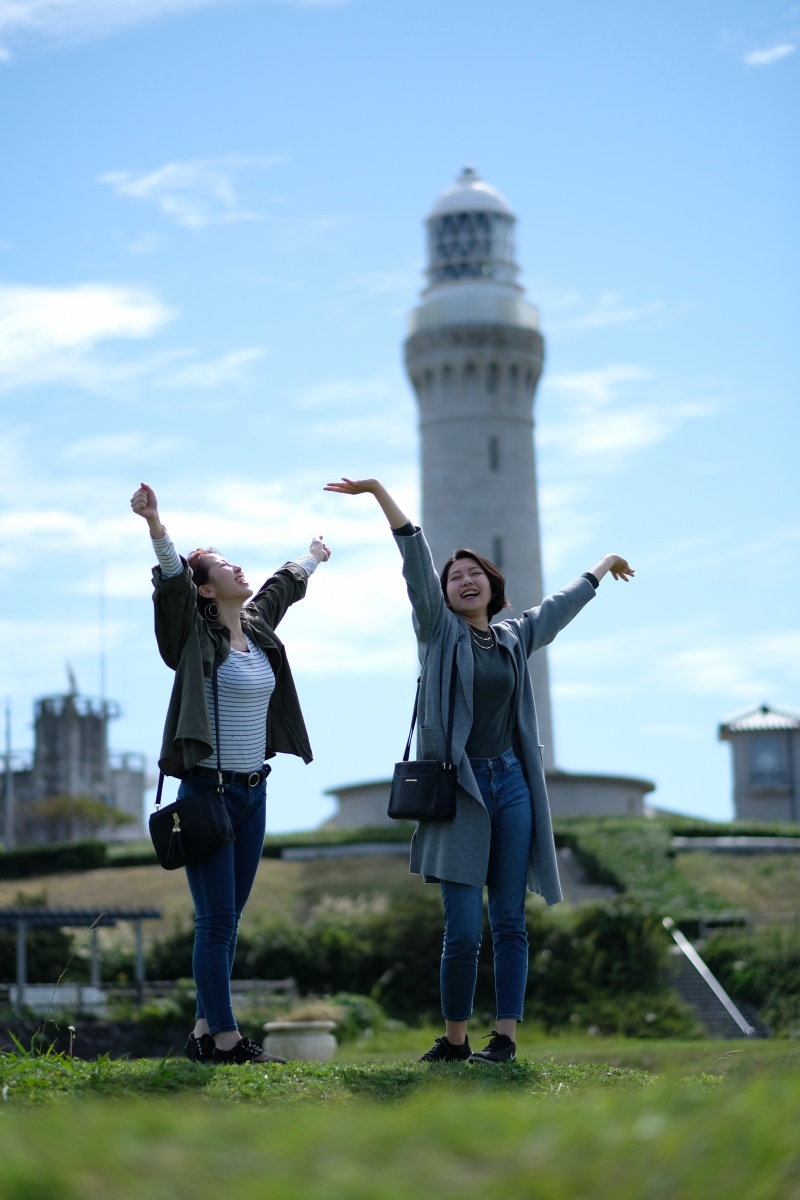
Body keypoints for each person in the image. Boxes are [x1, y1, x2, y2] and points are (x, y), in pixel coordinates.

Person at [324, 476, 633, 1065]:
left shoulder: (515, 637)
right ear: (443, 595)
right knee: (463, 928)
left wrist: (601, 565)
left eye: (474, 574)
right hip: (461, 791)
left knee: (510, 921)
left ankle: (507, 1040)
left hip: (512, 786)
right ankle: (456, 1040)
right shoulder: (437, 635)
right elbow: (415, 560)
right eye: (453, 576)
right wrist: (379, 494)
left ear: (493, 586)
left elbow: (559, 608)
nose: (463, 580)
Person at [131, 481, 330, 1065]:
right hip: (208, 793)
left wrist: (313, 557)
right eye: (223, 565)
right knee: (215, 922)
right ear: (205, 587)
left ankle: (200, 1032)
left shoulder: (258, 628)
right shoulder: (193, 634)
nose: (237, 568)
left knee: (228, 923)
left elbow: (280, 588)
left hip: (253, 792)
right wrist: (157, 526)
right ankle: (226, 1039)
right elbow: (171, 585)